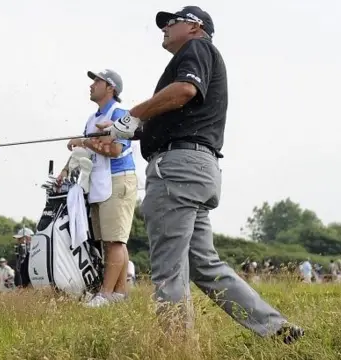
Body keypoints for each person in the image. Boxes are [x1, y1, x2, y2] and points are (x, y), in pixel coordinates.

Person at [101, 6, 304, 344]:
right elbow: (174, 114)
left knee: (168, 269)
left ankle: (176, 348)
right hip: (197, 168)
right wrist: (126, 129)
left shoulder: (197, 49)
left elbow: (184, 91)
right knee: (204, 265)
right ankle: (276, 329)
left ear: (194, 27)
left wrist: (133, 113)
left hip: (177, 170)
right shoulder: (201, 54)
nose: (163, 28)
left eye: (171, 22)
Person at [57, 69, 137, 307]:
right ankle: (119, 294)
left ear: (110, 87)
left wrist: (83, 141)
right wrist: (64, 171)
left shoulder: (120, 114)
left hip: (119, 179)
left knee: (115, 241)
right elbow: (86, 150)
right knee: (109, 241)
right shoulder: (92, 119)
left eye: (97, 81)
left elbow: (115, 150)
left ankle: (104, 294)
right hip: (100, 183)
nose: (92, 85)